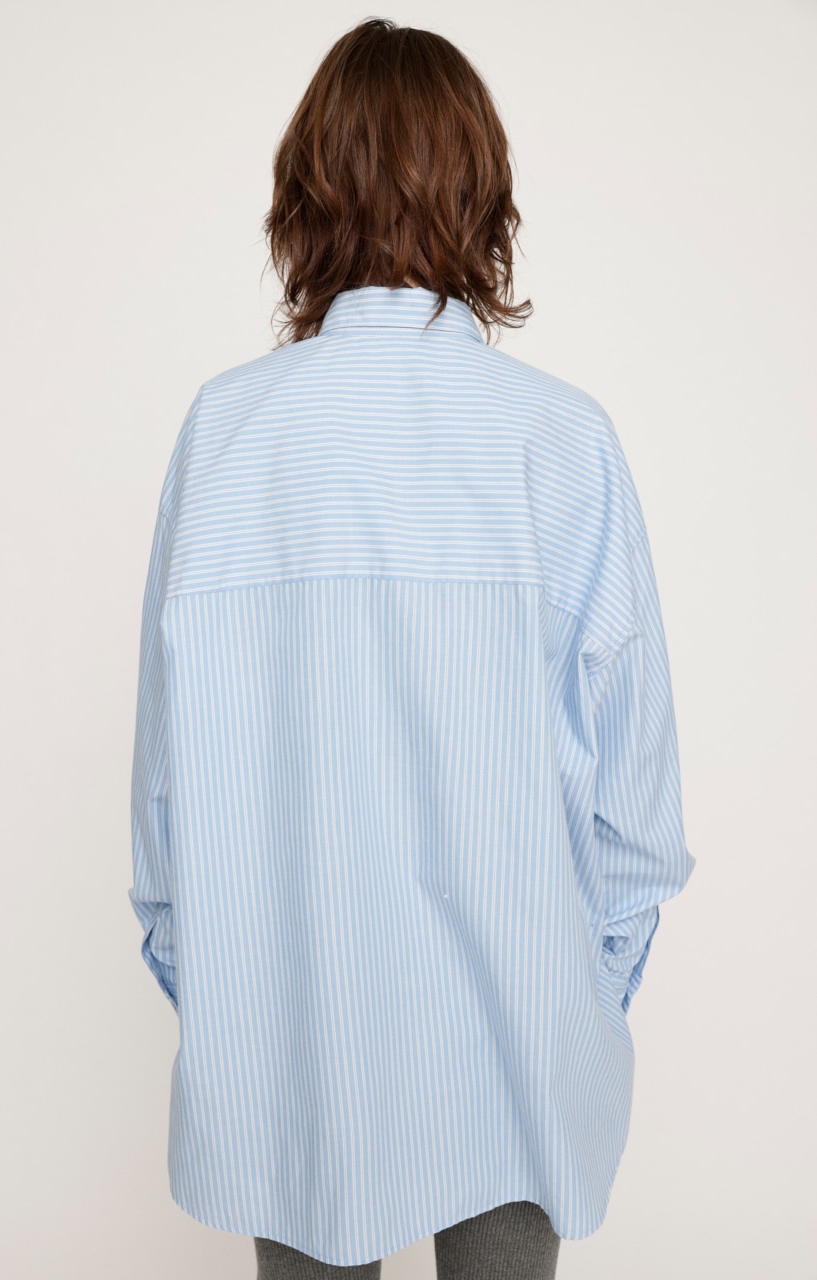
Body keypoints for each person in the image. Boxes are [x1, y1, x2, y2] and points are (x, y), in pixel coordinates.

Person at [128, 18, 696, 1280]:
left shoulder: (223, 435)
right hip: (517, 1043)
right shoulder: (561, 442)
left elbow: (165, 808)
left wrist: (241, 1005)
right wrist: (576, 1001)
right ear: (480, 192)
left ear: (302, 192)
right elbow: (637, 821)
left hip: (287, 1038)